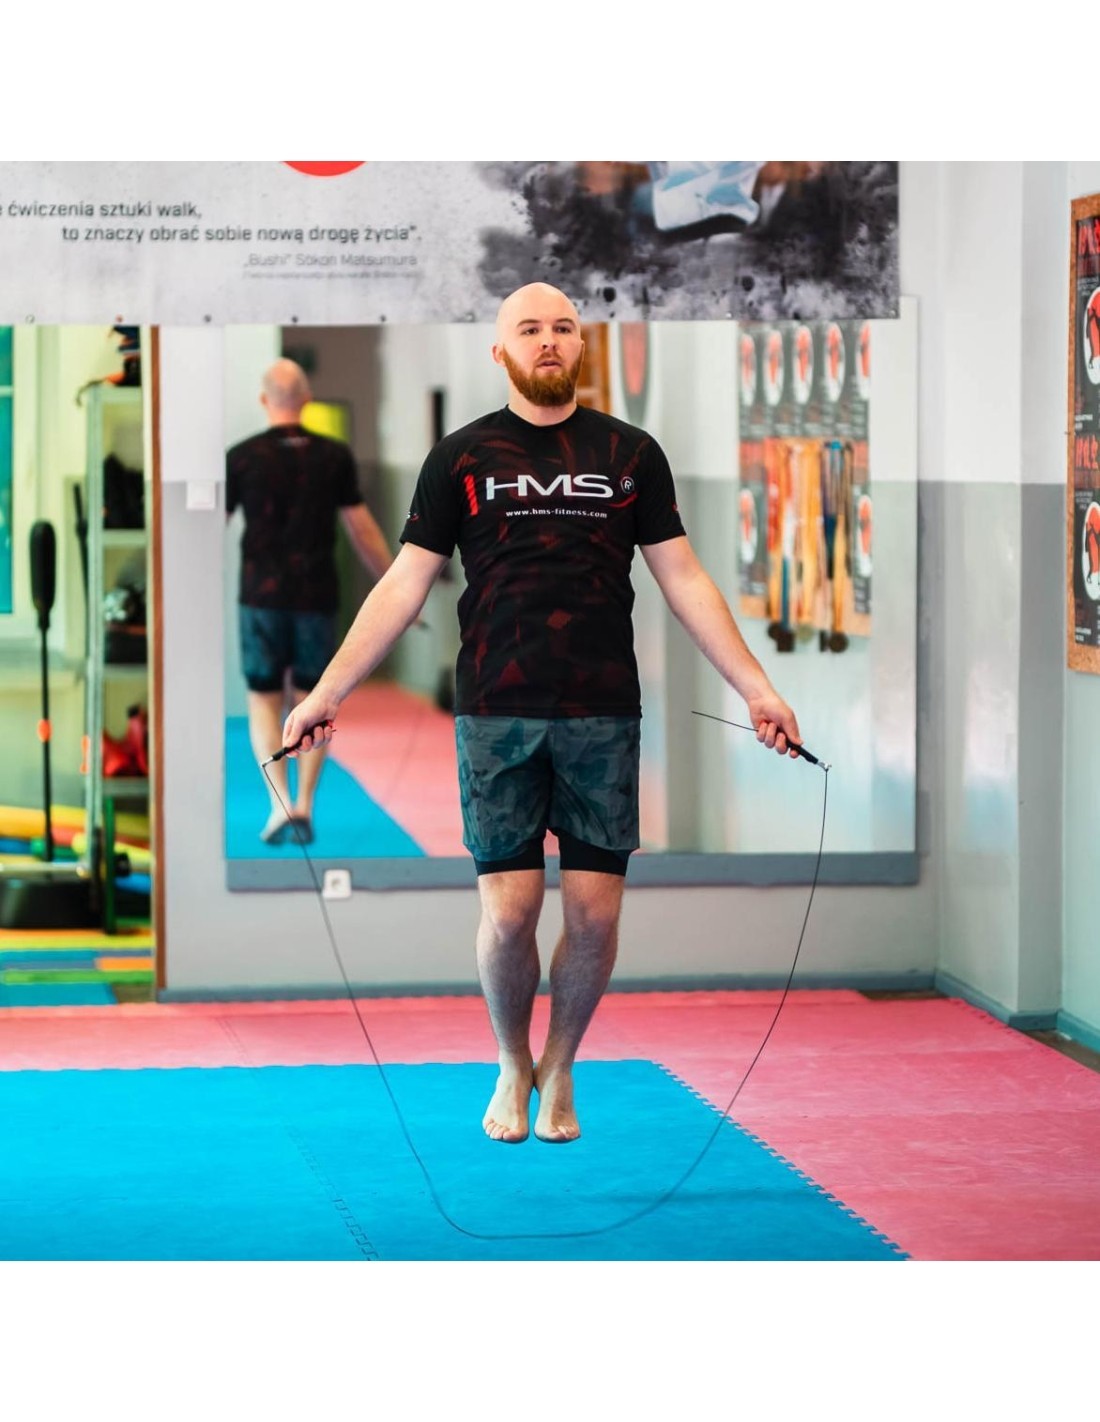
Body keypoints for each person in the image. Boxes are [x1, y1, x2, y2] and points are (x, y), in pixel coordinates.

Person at [281, 284, 803, 1144]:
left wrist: (756, 687)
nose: (549, 339)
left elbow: (683, 577)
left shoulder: (630, 454)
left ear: (581, 345)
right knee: (510, 912)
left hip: (603, 712)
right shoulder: (460, 457)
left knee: (595, 917)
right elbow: (404, 583)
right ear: (502, 352)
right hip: (497, 712)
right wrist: (326, 691)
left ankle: (559, 1064)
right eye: (529, 329)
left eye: (563, 327)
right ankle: (508, 1057)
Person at [227, 358, 397, 846]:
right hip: (316, 595)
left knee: (264, 698)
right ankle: (304, 803)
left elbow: (209, 524)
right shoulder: (333, 456)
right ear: (306, 399)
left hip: (259, 596)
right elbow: (362, 529)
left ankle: (278, 805)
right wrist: (393, 584)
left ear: (264, 400)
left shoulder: (241, 457)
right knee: (314, 698)